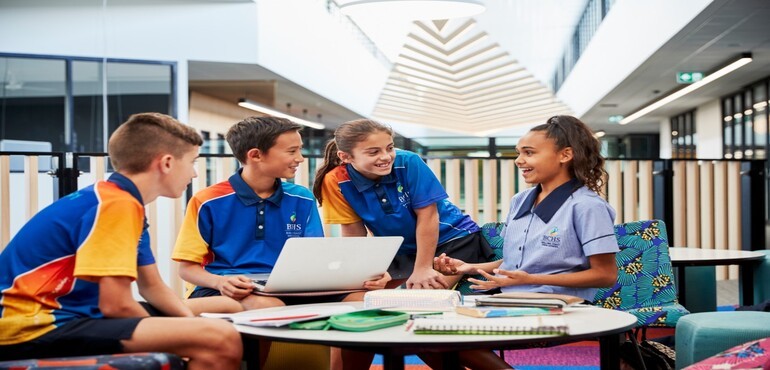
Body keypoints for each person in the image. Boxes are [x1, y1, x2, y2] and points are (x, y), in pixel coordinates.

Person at [0, 113, 242, 370]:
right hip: (33, 327)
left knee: (226, 306)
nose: (194, 173)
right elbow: (116, 305)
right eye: (192, 162)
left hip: (73, 313)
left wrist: (186, 326)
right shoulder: (116, 206)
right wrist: (181, 336)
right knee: (219, 338)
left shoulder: (120, 200)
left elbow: (152, 287)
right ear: (167, 163)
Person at [171, 116, 388, 369]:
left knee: (364, 300)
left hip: (293, 287)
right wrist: (221, 282)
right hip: (228, 286)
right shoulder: (207, 201)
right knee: (267, 306)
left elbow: (316, 258)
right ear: (256, 155)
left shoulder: (302, 198)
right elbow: (187, 268)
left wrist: (363, 276)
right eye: (292, 151)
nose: (301, 158)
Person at [435, 115, 619, 301]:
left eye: (529, 153)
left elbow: (605, 275)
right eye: (518, 153)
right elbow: (517, 264)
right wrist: (471, 267)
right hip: (512, 299)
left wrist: (531, 279)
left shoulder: (588, 206)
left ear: (565, 155)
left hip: (561, 305)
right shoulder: (519, 200)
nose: (518, 160)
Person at [312, 119, 496, 290]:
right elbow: (354, 232)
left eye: (389, 148)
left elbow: (428, 216)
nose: (386, 157)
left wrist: (423, 268)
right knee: (363, 291)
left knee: (423, 297)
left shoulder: (409, 162)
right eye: (373, 152)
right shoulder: (334, 180)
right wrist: (357, 271)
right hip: (400, 249)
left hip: (452, 239)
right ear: (345, 157)